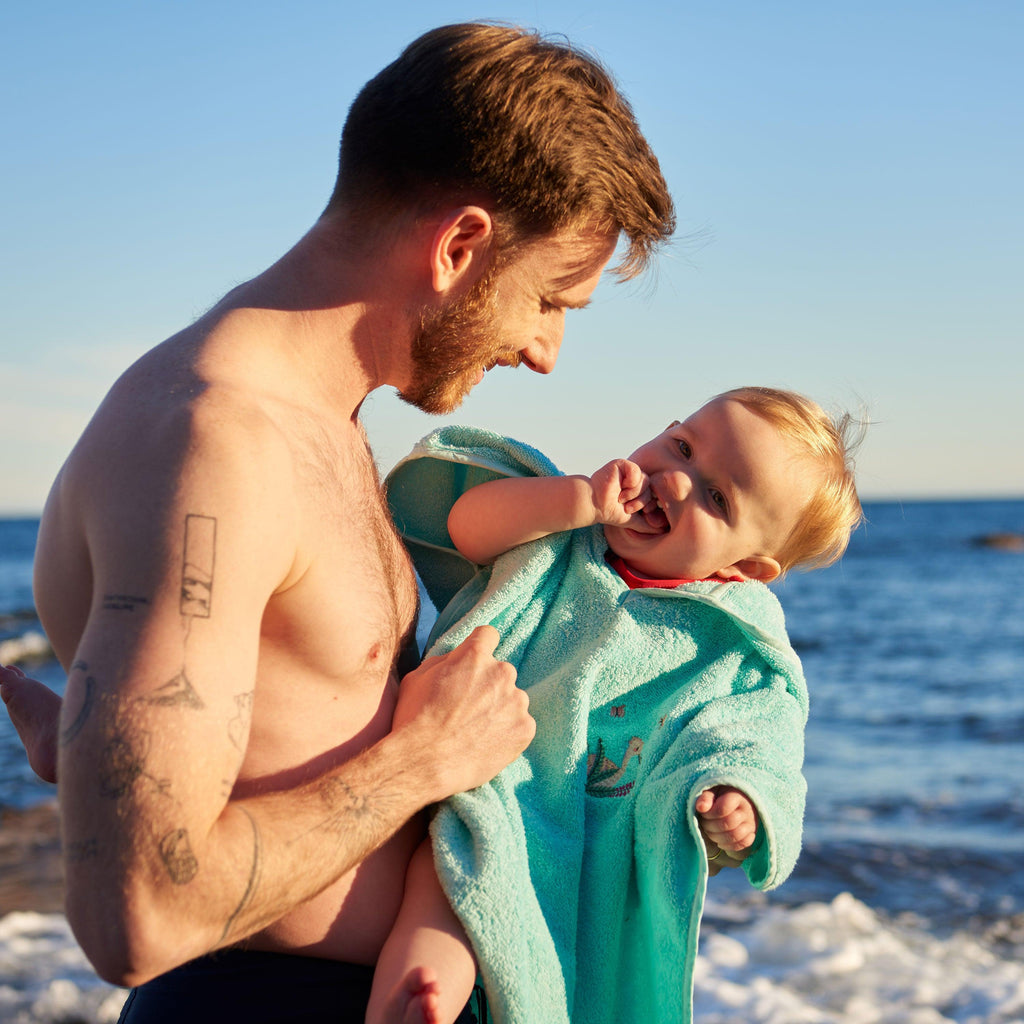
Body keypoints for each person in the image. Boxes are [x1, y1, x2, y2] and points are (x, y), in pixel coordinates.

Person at [0, 21, 674, 1023]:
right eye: (549, 299)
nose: (545, 351)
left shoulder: (317, 424)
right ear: (461, 245)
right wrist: (425, 759)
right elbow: (133, 916)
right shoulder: (212, 444)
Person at [369, 386, 863, 1023]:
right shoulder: (559, 532)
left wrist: (740, 799)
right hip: (488, 782)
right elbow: (467, 525)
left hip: (603, 837)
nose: (676, 480)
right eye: (681, 446)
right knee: (444, 888)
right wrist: (573, 500)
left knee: (574, 967)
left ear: (747, 568)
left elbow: (757, 732)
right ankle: (415, 999)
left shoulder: (729, 645)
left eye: (716, 497)